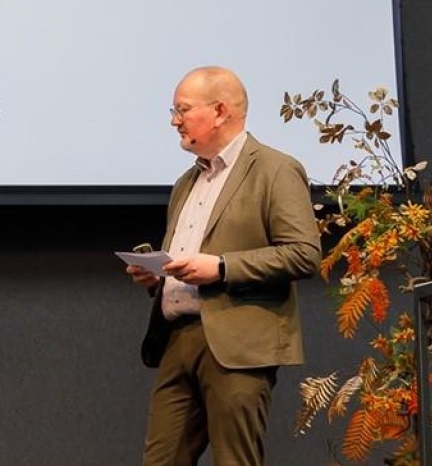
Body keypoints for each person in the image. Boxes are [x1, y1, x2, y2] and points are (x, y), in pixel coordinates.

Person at [125, 66, 321, 465]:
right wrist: (155, 276)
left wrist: (222, 268)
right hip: (178, 341)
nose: (174, 121)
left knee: (235, 460)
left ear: (219, 111)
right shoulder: (185, 182)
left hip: (238, 344)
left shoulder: (275, 169)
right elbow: (186, 262)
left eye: (182, 110)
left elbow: (304, 253)